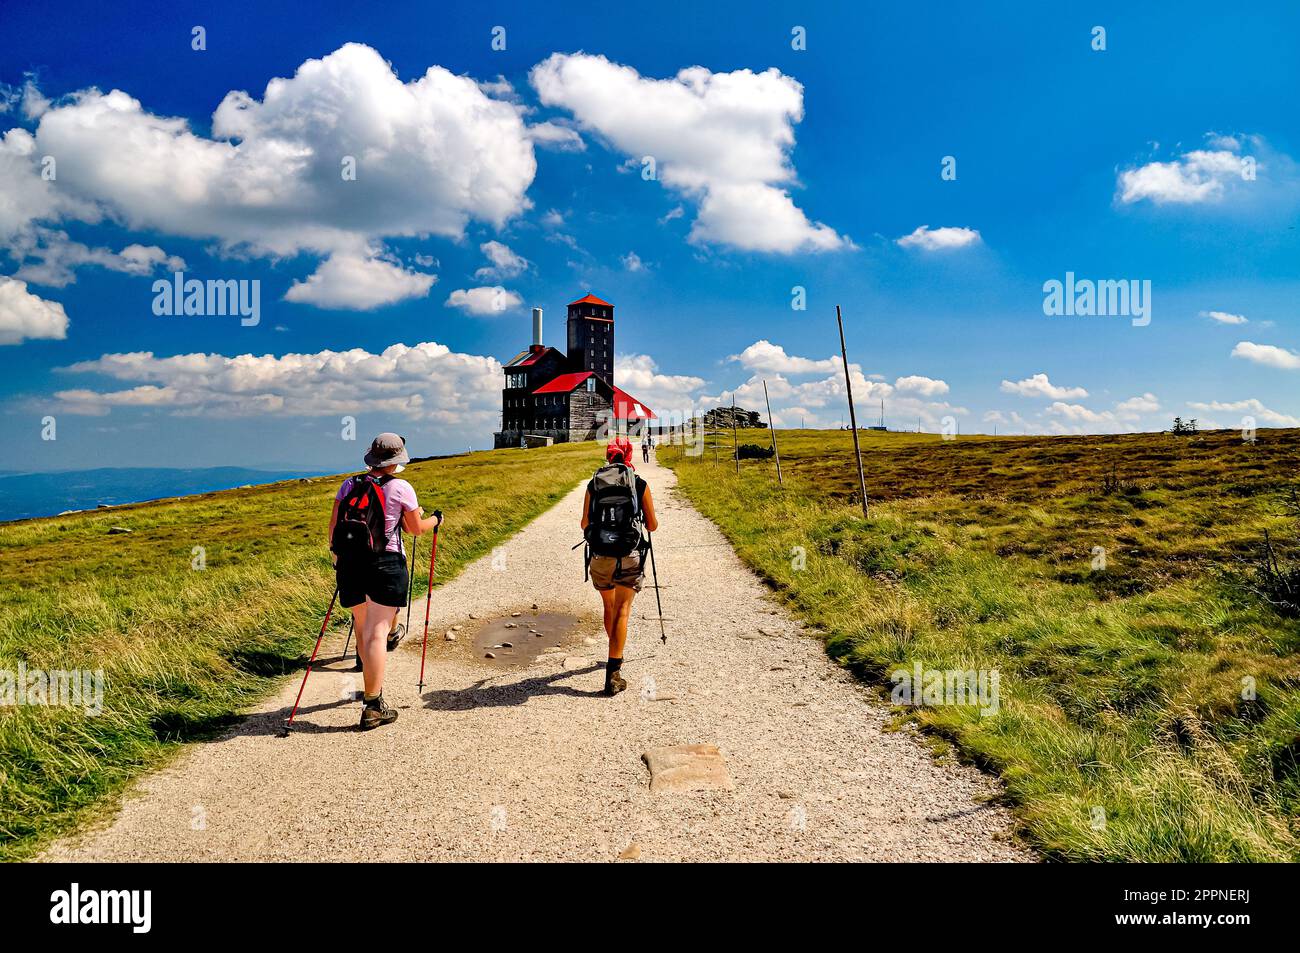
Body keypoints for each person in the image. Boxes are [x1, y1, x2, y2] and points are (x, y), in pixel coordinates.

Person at [328, 433, 442, 729]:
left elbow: (333, 528)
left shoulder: (349, 485)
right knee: (379, 633)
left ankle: (365, 675)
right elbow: (415, 529)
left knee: (363, 628)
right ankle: (373, 705)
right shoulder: (401, 488)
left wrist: (337, 560)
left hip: (351, 565)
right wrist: (436, 520)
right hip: (385, 563)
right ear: (397, 460)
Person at [580, 436, 658, 696]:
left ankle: (614, 650)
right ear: (628, 455)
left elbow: (584, 524)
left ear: (608, 454)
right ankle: (614, 671)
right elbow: (652, 525)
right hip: (629, 553)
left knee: (609, 606)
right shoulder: (638, 483)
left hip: (601, 553)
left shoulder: (594, 483)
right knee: (623, 609)